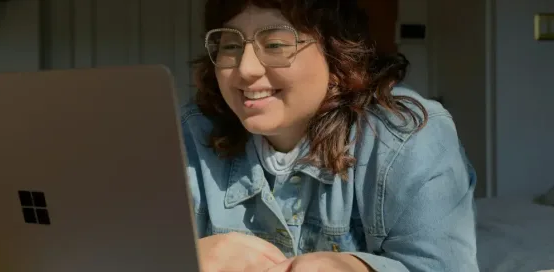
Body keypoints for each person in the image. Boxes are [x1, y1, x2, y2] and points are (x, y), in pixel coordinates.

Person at [180, 0, 479, 271]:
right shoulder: (189, 136)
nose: (245, 69)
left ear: (336, 55)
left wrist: (356, 268)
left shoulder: (409, 136)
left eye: (274, 44)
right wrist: (183, 260)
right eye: (230, 45)